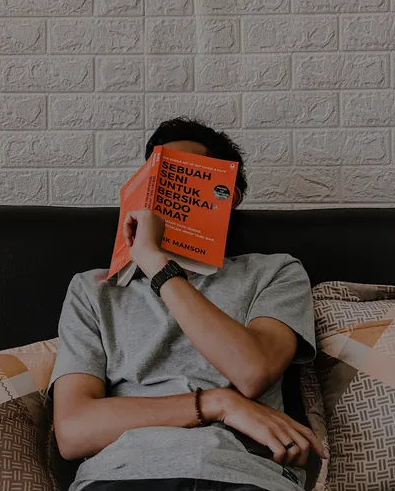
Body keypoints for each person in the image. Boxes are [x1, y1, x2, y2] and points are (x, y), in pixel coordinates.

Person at [50, 118, 326, 491]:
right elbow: (72, 431)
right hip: (123, 475)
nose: (164, 191)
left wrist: (158, 267)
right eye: (155, 176)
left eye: (182, 174)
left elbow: (253, 371)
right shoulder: (93, 290)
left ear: (227, 196)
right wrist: (216, 403)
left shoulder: (274, 272)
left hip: (243, 475)